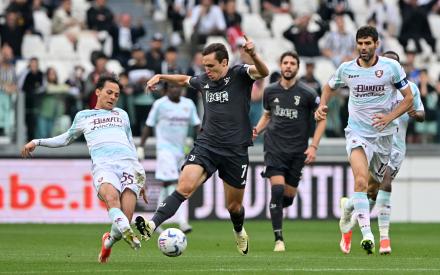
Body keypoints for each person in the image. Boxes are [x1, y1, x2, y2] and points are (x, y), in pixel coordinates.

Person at [135, 38, 269, 255]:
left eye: (211, 66)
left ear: (224, 63)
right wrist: (161, 76)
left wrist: (253, 54)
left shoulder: (239, 74)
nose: (207, 71)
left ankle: (238, 231)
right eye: (204, 66)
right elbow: (185, 79)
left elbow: (264, 72)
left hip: (235, 151)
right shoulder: (204, 81)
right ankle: (152, 225)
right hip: (207, 145)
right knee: (184, 187)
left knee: (234, 207)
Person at [21, 74, 146, 263]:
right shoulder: (84, 116)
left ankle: (108, 242)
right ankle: (127, 233)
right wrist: (38, 141)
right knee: (112, 199)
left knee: (125, 219)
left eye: (117, 94)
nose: (113, 97)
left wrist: (139, 174)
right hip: (104, 166)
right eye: (109, 92)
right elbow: (65, 138)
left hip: (129, 166)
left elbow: (130, 143)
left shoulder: (122, 114)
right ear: (98, 92)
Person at [315, 26, 414, 254]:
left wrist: (389, 117)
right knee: (359, 181)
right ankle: (368, 234)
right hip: (357, 134)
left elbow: (408, 99)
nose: (363, 47)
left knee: (372, 190)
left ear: (376, 44)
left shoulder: (391, 67)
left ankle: (348, 206)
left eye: (368, 43)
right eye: (360, 43)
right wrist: (322, 106)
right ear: (356, 44)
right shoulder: (347, 69)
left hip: (384, 136)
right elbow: (328, 87)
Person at [339, 51, 425, 255]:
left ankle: (349, 211)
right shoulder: (374, 89)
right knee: (383, 183)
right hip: (374, 143)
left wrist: (415, 114)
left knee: (372, 192)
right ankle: (384, 238)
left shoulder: (409, 90)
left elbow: (421, 114)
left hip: (396, 149)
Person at [252, 51, 326, 252]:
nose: (288, 66)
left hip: (297, 152)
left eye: (292, 63)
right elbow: (267, 115)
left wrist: (313, 146)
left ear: (297, 67)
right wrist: (256, 130)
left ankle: (276, 208)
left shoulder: (308, 94)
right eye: (285, 62)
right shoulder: (270, 91)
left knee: (288, 197)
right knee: (277, 190)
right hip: (274, 148)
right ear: (280, 64)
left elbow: (322, 119)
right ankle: (279, 239)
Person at [137, 82, 201, 233]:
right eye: (172, 87)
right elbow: (149, 125)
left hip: (181, 151)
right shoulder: (159, 105)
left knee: (166, 186)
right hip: (164, 149)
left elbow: (197, 125)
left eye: (178, 86)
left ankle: (155, 222)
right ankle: (183, 222)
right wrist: (141, 146)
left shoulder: (189, 104)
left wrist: (202, 143)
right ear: (166, 90)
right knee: (176, 183)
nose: (176, 89)